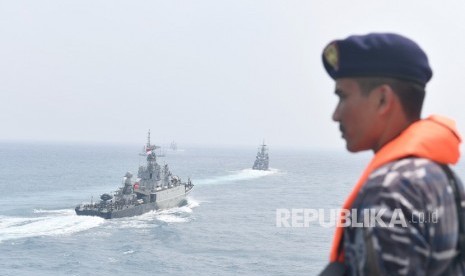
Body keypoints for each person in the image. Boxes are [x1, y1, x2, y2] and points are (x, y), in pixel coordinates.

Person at [319, 33, 465, 275]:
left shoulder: (390, 191)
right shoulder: (442, 176)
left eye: (343, 96)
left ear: (383, 99)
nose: (336, 114)